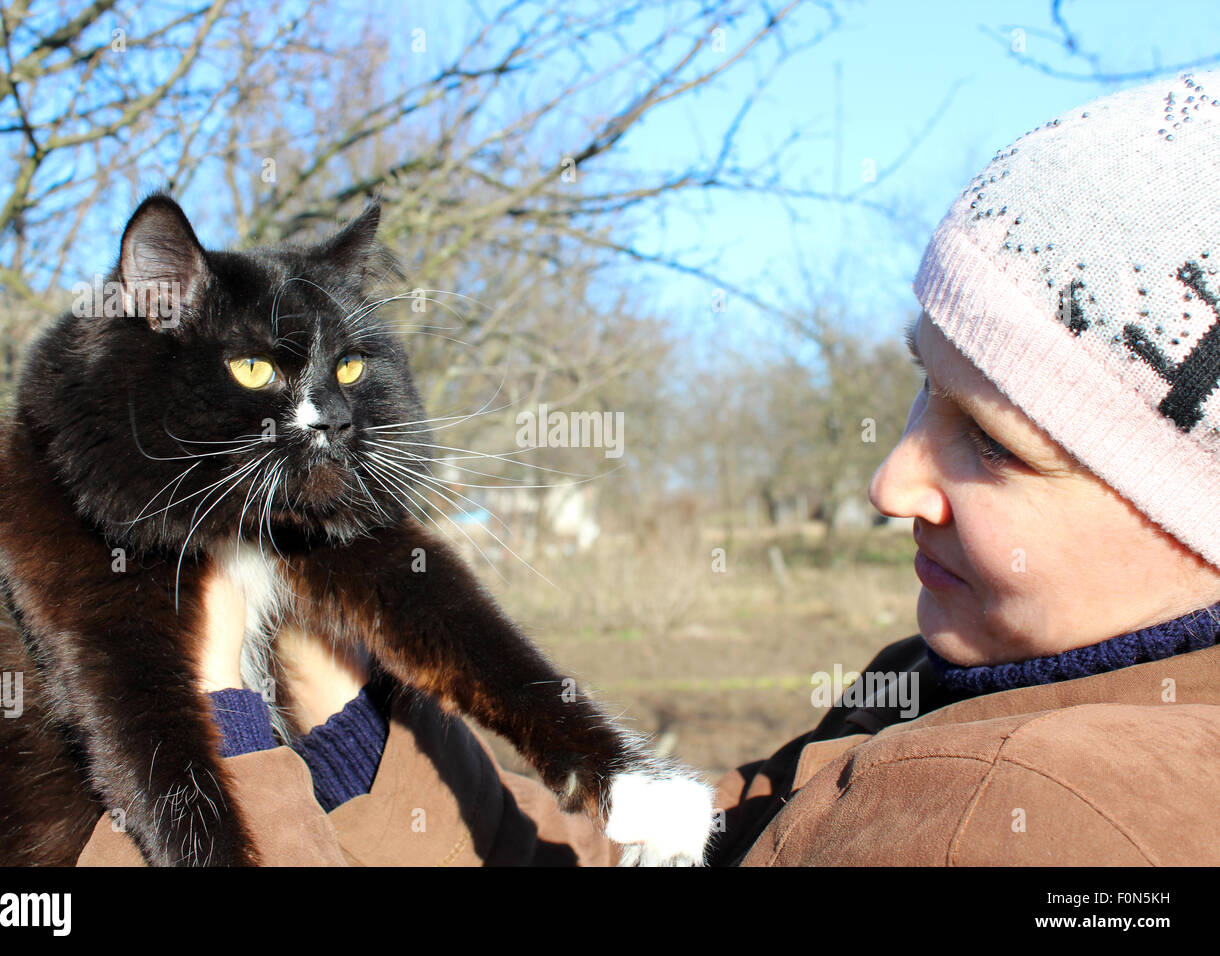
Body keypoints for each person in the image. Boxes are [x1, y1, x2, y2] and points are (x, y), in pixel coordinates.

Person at [78, 71, 1220, 866]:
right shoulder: (959, 682)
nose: (888, 481)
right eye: (923, 384)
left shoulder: (1016, 808)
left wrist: (227, 733)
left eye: (995, 443)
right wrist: (347, 738)